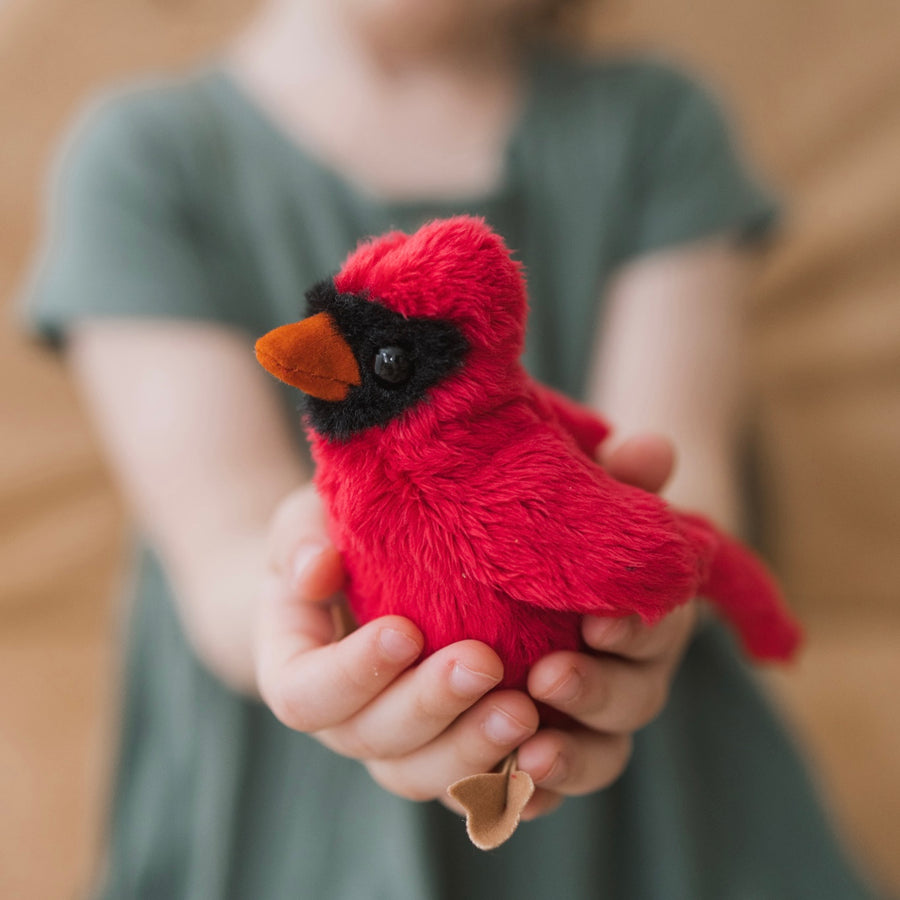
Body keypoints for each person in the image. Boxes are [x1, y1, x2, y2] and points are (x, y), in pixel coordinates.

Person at [23, 0, 880, 897]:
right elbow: (227, 542)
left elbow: (675, 469)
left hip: (656, 797)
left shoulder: (654, 123)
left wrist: (644, 609)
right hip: (285, 814)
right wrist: (306, 621)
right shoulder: (144, 159)